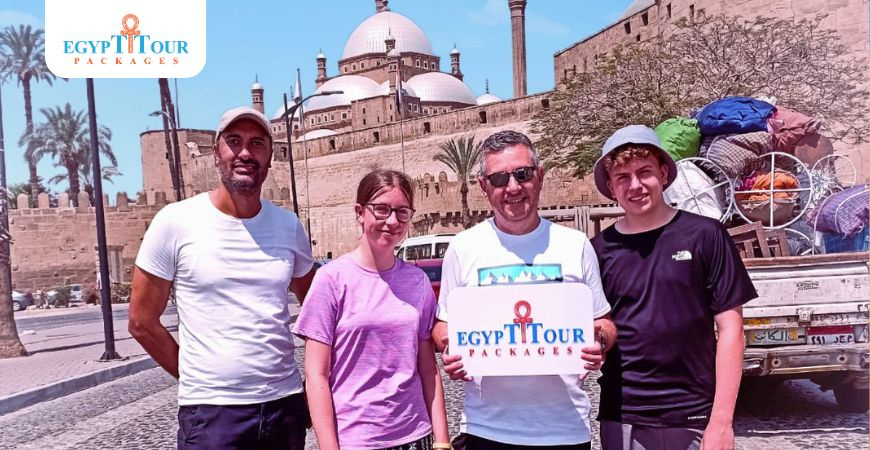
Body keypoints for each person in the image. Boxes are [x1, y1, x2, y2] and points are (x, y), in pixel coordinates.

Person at [129, 106, 316, 450]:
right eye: (234, 141)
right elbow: (141, 321)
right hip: (212, 415)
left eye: (257, 144)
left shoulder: (288, 226)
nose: (245, 153)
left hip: (283, 408)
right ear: (217, 152)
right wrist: (197, 378)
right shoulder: (175, 221)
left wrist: (315, 384)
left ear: (270, 157)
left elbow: (320, 310)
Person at [431, 130, 617, 449]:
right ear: (484, 186)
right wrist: (450, 347)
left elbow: (604, 322)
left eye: (522, 174)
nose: (513, 187)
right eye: (499, 178)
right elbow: (443, 324)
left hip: (565, 429)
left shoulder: (575, 245)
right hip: (486, 429)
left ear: (539, 176)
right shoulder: (462, 248)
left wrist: (599, 341)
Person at [589, 125, 756, 450]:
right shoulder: (598, 250)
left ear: (663, 173)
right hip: (624, 414)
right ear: (610, 186)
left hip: (694, 412)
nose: (635, 185)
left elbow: (732, 330)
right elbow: (598, 325)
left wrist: (722, 421)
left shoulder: (706, 236)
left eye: (645, 172)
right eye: (622, 177)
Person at [294, 169, 450, 450]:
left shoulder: (417, 282)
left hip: (416, 435)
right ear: (360, 212)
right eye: (381, 209)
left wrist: (442, 442)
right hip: (356, 440)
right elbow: (317, 375)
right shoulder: (331, 280)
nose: (392, 221)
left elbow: (428, 370)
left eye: (402, 212)